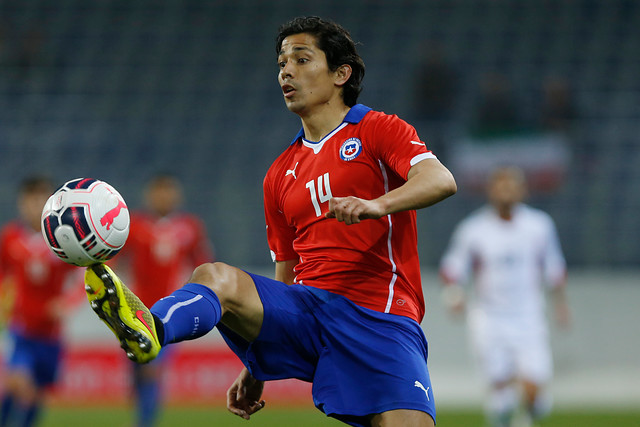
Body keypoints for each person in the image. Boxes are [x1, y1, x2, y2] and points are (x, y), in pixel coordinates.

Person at [83, 16, 456, 427]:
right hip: (307, 312)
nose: (286, 72)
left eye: (301, 58)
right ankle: (152, 327)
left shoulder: (377, 129)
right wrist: (259, 362)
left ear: (340, 73)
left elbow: (440, 179)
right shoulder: (280, 172)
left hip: (378, 317)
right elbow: (287, 271)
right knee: (215, 276)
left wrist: (377, 205)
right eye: (281, 63)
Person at [439, 166, 570, 427]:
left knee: (536, 393)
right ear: (491, 191)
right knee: (500, 394)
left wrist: (561, 305)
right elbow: (452, 268)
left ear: (523, 191)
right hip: (489, 318)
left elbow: (554, 268)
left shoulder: (539, 226)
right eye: (500, 186)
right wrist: (455, 295)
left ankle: (526, 415)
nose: (506, 192)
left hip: (529, 316)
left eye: (511, 186)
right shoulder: (473, 229)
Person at [119, 174, 215, 427]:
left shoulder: (189, 227)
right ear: (149, 195)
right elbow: (115, 260)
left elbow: (202, 265)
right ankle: (142, 403)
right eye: (159, 192)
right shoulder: (134, 226)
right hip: (135, 310)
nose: (164, 197)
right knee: (140, 372)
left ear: (177, 195)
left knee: (152, 370)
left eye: (169, 191)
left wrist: (196, 295)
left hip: (168, 312)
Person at [0, 177, 81, 427]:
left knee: (36, 395)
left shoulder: (63, 239)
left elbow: (84, 277)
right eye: (31, 199)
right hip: (21, 328)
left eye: (41, 198)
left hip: (51, 334)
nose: (35, 205)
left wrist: (67, 302)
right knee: (20, 382)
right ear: (21, 203)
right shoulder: (10, 238)